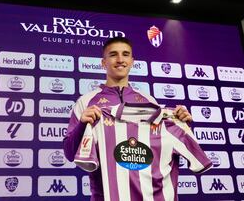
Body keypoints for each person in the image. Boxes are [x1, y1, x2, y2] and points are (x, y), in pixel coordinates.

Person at [63, 36, 192, 201]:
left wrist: (183, 125)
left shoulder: (149, 102)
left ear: (132, 61)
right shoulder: (86, 102)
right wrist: (82, 125)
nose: (120, 59)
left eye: (125, 54)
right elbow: (69, 153)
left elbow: (164, 148)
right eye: (113, 54)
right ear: (103, 63)